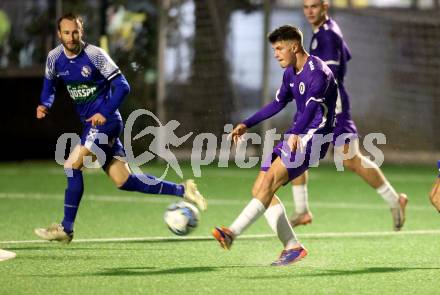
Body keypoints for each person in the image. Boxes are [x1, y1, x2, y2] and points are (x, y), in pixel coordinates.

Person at [34, 13, 207, 243]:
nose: (71, 37)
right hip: (90, 125)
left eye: (75, 32)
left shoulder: (95, 55)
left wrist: (103, 113)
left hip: (107, 122)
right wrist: (45, 104)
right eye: (66, 32)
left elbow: (123, 87)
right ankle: (182, 190)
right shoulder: (54, 57)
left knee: (71, 165)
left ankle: (66, 229)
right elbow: (49, 85)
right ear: (59, 34)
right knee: (123, 181)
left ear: (81, 30)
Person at [212, 25, 337, 266]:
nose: (276, 54)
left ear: (295, 46)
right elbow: (278, 104)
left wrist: (297, 132)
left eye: (279, 48)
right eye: (274, 50)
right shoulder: (290, 72)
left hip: (314, 137)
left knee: (268, 184)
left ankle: (231, 233)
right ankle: (292, 246)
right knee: (260, 189)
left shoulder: (318, 73)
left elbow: (311, 108)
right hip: (297, 133)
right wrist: (246, 124)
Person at [288, 0, 407, 231]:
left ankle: (396, 200)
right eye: (306, 6)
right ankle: (302, 210)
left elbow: (329, 74)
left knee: (350, 159)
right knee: (295, 149)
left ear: (325, 6)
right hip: (321, 101)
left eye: (314, 6)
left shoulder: (327, 35)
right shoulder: (324, 31)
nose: (309, 11)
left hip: (330, 103)